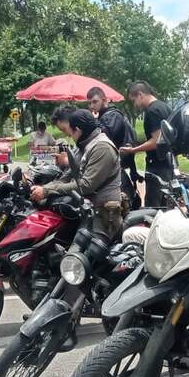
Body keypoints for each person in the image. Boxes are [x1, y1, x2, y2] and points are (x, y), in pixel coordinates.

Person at [29, 107, 122, 350]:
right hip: (90, 214)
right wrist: (42, 185)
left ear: (79, 129)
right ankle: (54, 314)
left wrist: (48, 191)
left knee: (81, 267)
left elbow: (87, 184)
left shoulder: (101, 147)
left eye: (69, 132)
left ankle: (67, 328)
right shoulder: (86, 145)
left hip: (106, 219)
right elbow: (69, 174)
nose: (69, 136)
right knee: (68, 262)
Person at [121, 81, 172, 207]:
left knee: (153, 207)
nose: (135, 105)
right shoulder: (164, 107)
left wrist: (134, 150)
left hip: (157, 166)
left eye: (134, 101)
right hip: (169, 164)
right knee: (167, 205)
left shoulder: (152, 111)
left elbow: (156, 141)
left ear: (140, 94)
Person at [88, 86, 140, 209]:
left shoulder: (112, 116)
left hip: (116, 165)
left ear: (104, 100)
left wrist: (92, 122)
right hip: (115, 164)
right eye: (89, 103)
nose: (92, 106)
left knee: (118, 205)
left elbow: (105, 138)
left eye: (95, 101)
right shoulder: (104, 115)